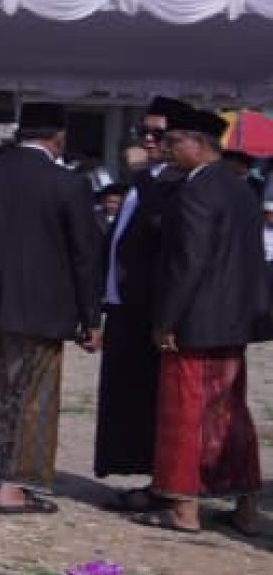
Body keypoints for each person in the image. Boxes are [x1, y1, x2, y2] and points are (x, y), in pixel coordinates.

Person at [0, 104, 104, 513]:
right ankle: (11, 486)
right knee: (31, 395)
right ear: (59, 137)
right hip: (42, 309)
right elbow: (84, 255)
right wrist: (91, 316)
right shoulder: (68, 184)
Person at [140, 104, 266, 535]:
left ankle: (183, 508)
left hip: (195, 320)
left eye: (174, 141)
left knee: (186, 411)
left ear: (200, 144)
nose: (167, 148)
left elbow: (188, 262)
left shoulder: (195, 190)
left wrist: (166, 319)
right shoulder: (240, 188)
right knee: (231, 412)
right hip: (233, 321)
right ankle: (245, 504)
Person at [94, 97, 191, 509]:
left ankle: (163, 485)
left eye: (158, 133)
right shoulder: (144, 180)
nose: (149, 141)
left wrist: (139, 174)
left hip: (154, 307)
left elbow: (162, 223)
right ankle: (142, 473)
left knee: (158, 399)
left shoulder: (177, 181)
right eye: (143, 133)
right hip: (123, 303)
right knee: (127, 397)